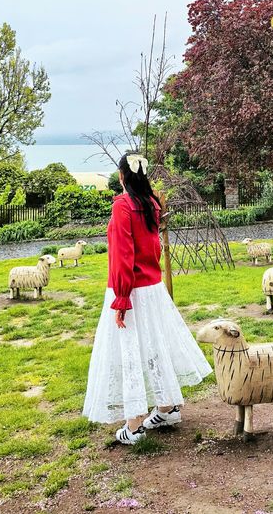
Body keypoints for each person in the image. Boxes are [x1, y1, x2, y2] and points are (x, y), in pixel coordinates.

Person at [82, 152, 212, 444]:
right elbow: (152, 247)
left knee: (129, 350)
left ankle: (134, 425)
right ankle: (166, 408)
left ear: (121, 176)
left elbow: (121, 256)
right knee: (155, 344)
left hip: (132, 289)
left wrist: (121, 298)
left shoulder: (123, 207)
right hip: (153, 288)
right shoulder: (151, 204)